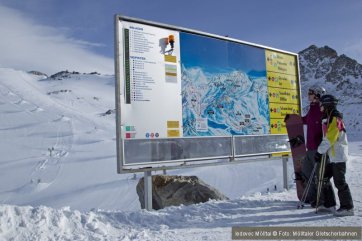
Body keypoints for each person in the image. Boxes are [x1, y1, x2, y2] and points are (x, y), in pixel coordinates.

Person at [314, 94, 354, 216]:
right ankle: (329, 205)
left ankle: (348, 207)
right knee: (324, 178)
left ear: (327, 105)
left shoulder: (335, 118)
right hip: (332, 156)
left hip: (338, 156)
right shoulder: (329, 117)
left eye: (321, 104)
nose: (320, 106)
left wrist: (319, 152)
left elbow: (330, 138)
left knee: (339, 182)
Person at [301, 85, 329, 205]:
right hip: (310, 147)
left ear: (317, 95)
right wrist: (293, 118)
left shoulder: (322, 109)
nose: (308, 95)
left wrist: (322, 149)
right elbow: (306, 120)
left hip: (318, 148)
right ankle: (312, 197)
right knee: (307, 172)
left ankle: (322, 200)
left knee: (319, 175)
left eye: (310, 93)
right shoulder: (312, 108)